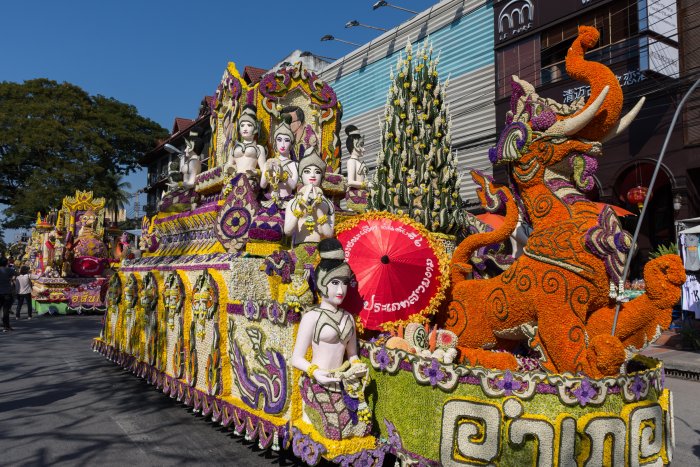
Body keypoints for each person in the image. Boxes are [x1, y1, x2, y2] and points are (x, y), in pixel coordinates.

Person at [291, 238, 370, 440]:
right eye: (335, 283)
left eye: (344, 283)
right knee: (337, 431)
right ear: (321, 283)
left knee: (365, 427)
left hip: (344, 383)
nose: (341, 290)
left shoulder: (348, 317)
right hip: (317, 383)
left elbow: (352, 354)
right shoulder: (312, 317)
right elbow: (296, 358)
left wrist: (357, 365)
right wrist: (315, 373)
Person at [284, 149, 334, 246]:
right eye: (307, 171)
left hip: (320, 250)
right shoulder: (293, 202)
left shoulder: (328, 203)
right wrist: (300, 207)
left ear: (322, 178)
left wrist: (319, 210)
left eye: (317, 172)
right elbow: (287, 232)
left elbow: (329, 234)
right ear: (301, 176)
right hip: (299, 248)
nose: (312, 175)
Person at [260, 116, 299, 206]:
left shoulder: (294, 164)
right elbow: (263, 185)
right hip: (270, 201)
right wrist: (268, 172)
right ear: (275, 142)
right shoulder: (269, 162)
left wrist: (283, 175)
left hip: (287, 202)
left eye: (286, 140)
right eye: (279, 140)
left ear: (291, 144)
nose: (282, 144)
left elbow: (293, 186)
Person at [223, 105, 267, 180]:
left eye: (249, 125)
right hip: (235, 180)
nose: (245, 129)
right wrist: (228, 169)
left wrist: (256, 172)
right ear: (239, 129)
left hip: (250, 180)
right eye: (242, 125)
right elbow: (229, 166)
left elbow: (264, 170)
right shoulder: (233, 148)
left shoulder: (259, 148)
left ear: (256, 128)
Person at [344, 125, 369, 213]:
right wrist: (366, 184)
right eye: (361, 145)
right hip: (355, 196)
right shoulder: (351, 161)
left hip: (362, 194)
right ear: (355, 145)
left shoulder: (357, 162)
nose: (364, 149)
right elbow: (350, 182)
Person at [0, 257, 16, 331]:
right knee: (6, 311)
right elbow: (17, 274)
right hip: (7, 292)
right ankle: (6, 326)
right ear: (7, 263)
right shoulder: (9, 270)